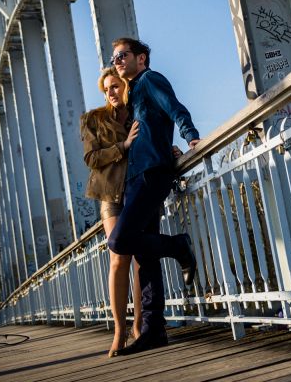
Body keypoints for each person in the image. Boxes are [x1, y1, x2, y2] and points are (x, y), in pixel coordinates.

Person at [107, 38, 199, 356]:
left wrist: (191, 137)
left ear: (141, 58)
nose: (117, 60)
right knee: (145, 258)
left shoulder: (150, 79)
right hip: (136, 178)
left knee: (119, 241)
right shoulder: (132, 93)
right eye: (113, 57)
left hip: (152, 174)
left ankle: (178, 245)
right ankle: (153, 331)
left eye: (123, 55)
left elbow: (175, 108)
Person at [81, 67, 143, 357]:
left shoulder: (138, 111)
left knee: (141, 259)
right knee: (119, 257)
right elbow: (92, 158)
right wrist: (123, 145)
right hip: (111, 195)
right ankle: (119, 330)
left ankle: (138, 326)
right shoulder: (94, 119)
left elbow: (150, 143)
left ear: (125, 86)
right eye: (106, 89)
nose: (111, 92)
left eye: (115, 86)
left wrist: (170, 150)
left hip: (139, 189)